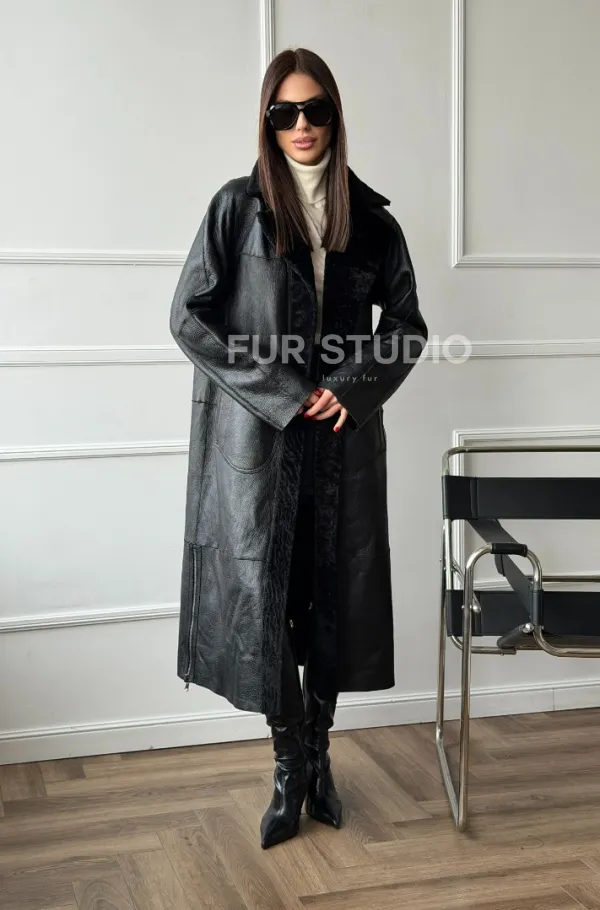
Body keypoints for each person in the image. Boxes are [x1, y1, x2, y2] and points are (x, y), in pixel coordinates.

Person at [169, 47, 428, 850]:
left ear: (335, 116)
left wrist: (349, 387)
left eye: (316, 109)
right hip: (257, 443)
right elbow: (189, 318)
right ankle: (288, 768)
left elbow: (408, 326)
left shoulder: (374, 222)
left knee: (331, 601)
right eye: (285, 113)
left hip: (341, 442)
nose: (302, 125)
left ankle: (320, 762)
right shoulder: (235, 207)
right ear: (268, 120)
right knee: (266, 600)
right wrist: (284, 393)